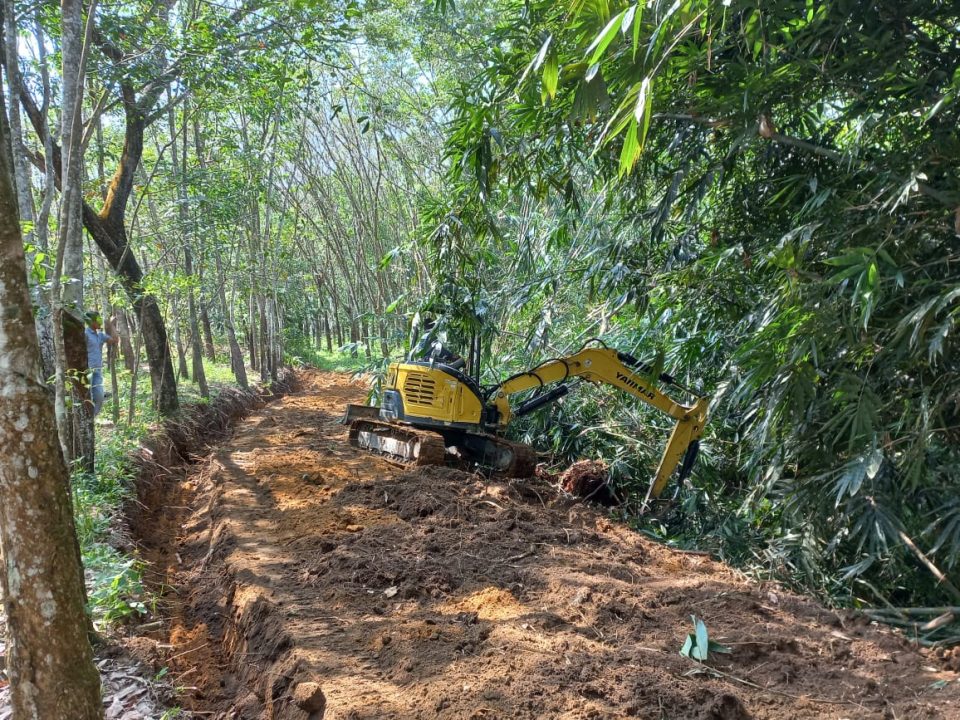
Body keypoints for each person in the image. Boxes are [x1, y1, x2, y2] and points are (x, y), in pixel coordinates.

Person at [84, 311, 118, 416]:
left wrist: (111, 325)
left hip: (97, 370)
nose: (99, 322)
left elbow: (115, 340)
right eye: (97, 320)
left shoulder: (100, 335)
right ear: (91, 321)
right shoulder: (85, 334)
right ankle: (86, 420)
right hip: (86, 371)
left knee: (99, 396)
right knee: (85, 398)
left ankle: (92, 418)